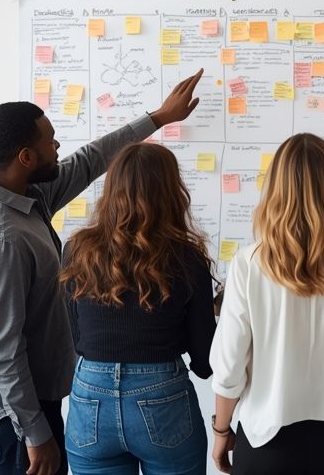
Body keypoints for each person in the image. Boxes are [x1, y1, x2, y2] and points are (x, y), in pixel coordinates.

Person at [0, 70, 203, 475]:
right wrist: (36, 434)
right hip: (12, 420)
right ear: (25, 158)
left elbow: (89, 161)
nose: (58, 145)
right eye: (49, 140)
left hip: (51, 400)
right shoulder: (0, 239)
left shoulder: (24, 195)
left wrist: (157, 118)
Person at [208, 133, 324, 475]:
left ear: (275, 190)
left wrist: (221, 432)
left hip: (266, 446)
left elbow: (229, 369)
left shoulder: (249, 264)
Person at [59, 142, 216, 474]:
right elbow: (204, 362)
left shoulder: (77, 250)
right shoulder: (187, 258)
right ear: (172, 192)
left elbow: (77, 336)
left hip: (90, 393)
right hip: (162, 392)